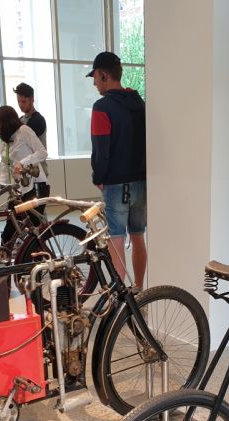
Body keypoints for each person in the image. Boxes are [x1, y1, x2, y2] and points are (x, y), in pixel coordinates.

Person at [87, 51, 147, 289]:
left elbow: (101, 150)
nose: (94, 83)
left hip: (115, 184)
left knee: (116, 240)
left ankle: (120, 297)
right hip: (141, 181)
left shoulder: (102, 107)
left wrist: (99, 177)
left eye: (95, 77)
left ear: (104, 75)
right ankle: (139, 287)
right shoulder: (139, 103)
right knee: (138, 236)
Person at [0, 105, 48, 244]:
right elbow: (6, 171)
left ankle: (39, 255)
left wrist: (23, 163)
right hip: (18, 192)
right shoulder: (4, 141)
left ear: (5, 122)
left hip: (36, 186)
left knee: (32, 231)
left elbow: (42, 153)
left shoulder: (24, 131)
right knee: (8, 234)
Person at [13, 82, 50, 197]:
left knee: (36, 206)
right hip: (25, 172)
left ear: (32, 100)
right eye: (19, 101)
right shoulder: (21, 120)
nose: (20, 105)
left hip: (37, 172)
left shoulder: (38, 120)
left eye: (24, 101)